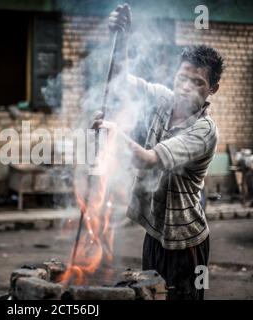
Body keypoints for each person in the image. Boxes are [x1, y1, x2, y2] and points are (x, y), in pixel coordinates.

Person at [93, 3, 224, 299]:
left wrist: (113, 132)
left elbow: (151, 161)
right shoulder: (163, 100)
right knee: (149, 296)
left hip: (185, 241)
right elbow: (120, 81)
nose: (185, 88)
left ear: (212, 89)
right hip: (155, 232)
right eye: (182, 78)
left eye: (198, 83)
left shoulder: (204, 130)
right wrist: (123, 38)